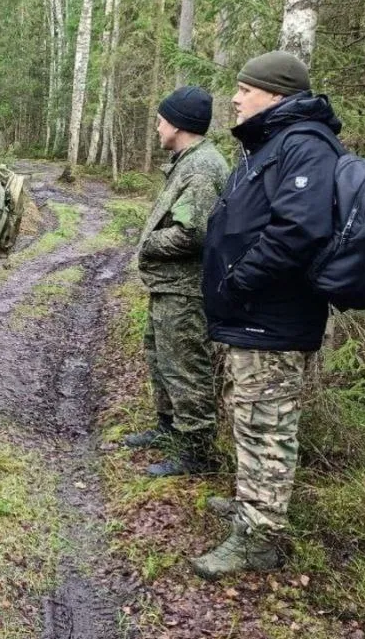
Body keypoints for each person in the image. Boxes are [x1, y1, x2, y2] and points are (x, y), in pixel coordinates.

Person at [194, 51, 342, 580]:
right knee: (250, 418)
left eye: (245, 89)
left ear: (275, 95)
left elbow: (297, 231)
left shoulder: (304, 146)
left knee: (267, 425)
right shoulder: (272, 144)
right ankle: (252, 506)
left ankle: (261, 538)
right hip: (253, 317)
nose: (235, 98)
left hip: (271, 319)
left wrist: (239, 281)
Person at [122, 87, 229, 478]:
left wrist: (148, 243)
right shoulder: (187, 161)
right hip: (169, 286)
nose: (157, 127)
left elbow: (192, 233)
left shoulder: (201, 168)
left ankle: (197, 453)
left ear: (179, 124)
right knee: (160, 358)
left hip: (185, 289)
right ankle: (167, 427)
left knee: (185, 367)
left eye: (161, 120)